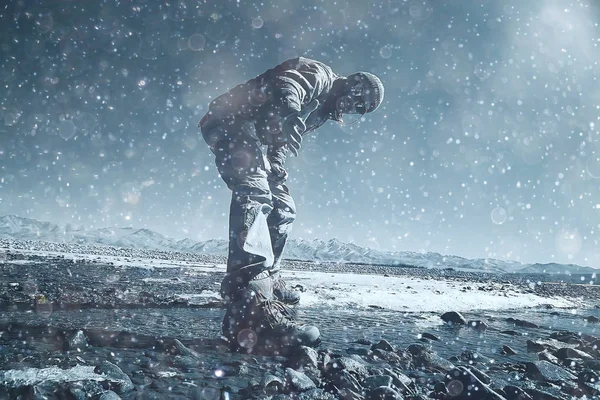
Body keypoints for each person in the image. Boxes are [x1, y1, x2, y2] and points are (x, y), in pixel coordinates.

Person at [199, 57, 384, 354]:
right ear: (354, 86)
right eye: (359, 103)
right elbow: (289, 84)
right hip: (230, 120)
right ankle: (248, 297)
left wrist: (278, 168)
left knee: (284, 207)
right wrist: (288, 112)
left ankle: (269, 277)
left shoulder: (322, 112)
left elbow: (280, 140)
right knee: (255, 191)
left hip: (255, 135)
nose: (355, 110)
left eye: (361, 111)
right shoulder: (320, 76)